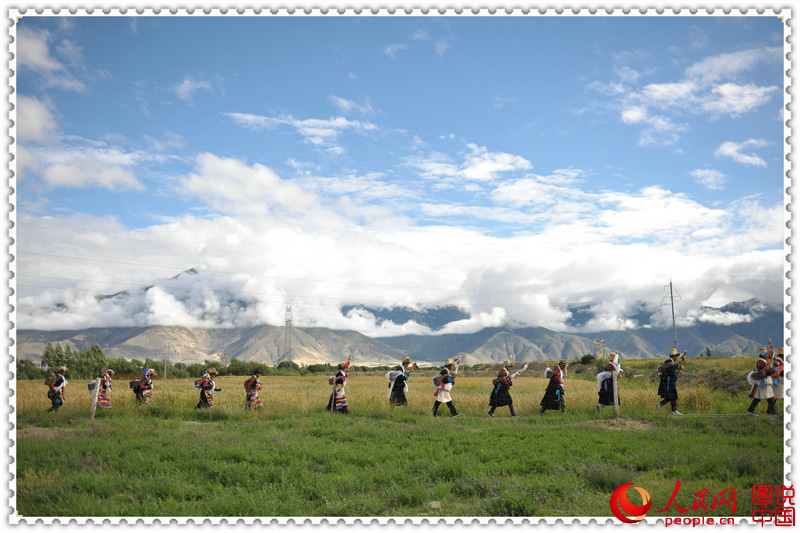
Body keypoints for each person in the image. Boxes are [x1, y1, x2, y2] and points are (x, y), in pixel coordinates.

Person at [747, 344, 777, 416]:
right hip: (762, 382)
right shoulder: (761, 362)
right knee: (768, 397)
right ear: (764, 355)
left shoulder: (763, 361)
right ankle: (770, 411)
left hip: (763, 382)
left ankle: (752, 410)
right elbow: (765, 371)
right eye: (766, 354)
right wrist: (773, 369)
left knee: (764, 397)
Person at [657, 348, 685, 415]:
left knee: (671, 396)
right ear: (674, 356)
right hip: (669, 381)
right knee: (672, 395)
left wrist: (682, 361)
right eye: (676, 356)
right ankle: (672, 410)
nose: (677, 358)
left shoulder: (671, 362)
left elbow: (677, 367)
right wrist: (682, 361)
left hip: (670, 381)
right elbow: (679, 367)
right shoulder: (669, 362)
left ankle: (664, 406)